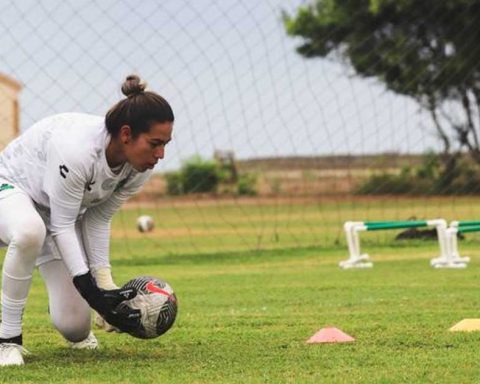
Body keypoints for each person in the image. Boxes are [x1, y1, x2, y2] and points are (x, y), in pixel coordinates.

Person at [0, 74, 174, 366]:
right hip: (10, 189)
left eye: (165, 144)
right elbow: (63, 224)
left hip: (51, 212)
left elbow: (97, 218)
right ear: (127, 134)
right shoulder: (77, 151)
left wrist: (104, 290)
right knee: (30, 231)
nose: (160, 154)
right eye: (155, 143)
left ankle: (72, 320)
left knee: (75, 327)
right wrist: (90, 289)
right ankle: (7, 340)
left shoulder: (139, 167)